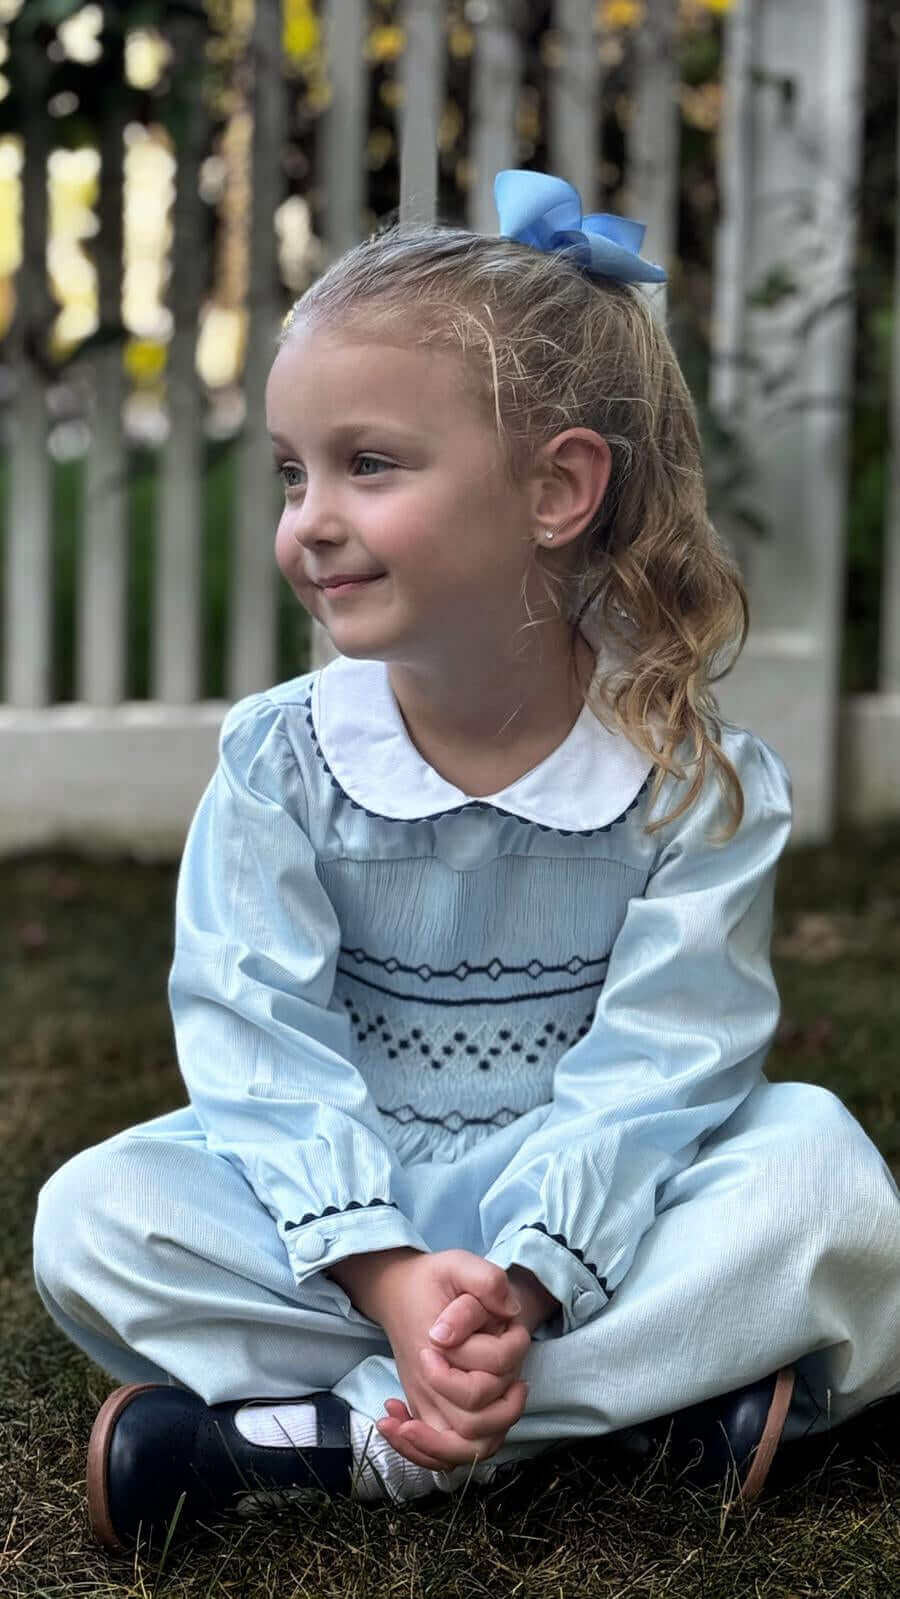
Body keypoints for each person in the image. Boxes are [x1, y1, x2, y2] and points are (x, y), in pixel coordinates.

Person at [32, 170, 900, 1554]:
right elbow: (255, 1042)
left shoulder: (689, 777)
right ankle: (641, 1423)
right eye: (294, 471)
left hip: (602, 1210)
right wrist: (387, 1275)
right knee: (100, 1216)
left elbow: (674, 1058)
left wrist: (532, 1277)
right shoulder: (282, 763)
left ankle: (350, 1442)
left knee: (828, 1186)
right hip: (350, 1212)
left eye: (369, 465)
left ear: (557, 487)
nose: (310, 518)